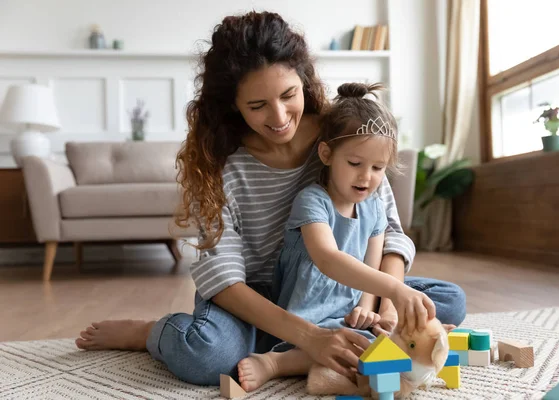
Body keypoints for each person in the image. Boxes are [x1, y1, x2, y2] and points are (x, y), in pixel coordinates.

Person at [74, 11, 466, 386]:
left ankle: (308, 341)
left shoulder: (343, 136)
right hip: (256, 297)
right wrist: (312, 337)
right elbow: (223, 280)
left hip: (337, 293)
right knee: (205, 356)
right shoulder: (221, 165)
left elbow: (388, 231)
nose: (278, 117)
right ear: (234, 105)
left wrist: (389, 305)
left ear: (304, 81)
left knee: (447, 302)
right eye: (258, 106)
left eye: (288, 95)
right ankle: (151, 333)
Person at [237, 82, 445, 392]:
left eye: (378, 168)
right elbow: (328, 259)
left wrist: (368, 307)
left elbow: (372, 268)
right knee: (349, 343)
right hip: (306, 311)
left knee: (380, 336)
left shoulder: (374, 207)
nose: (367, 177)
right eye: (355, 164)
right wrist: (395, 290)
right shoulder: (312, 201)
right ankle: (274, 363)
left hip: (347, 312)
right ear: (326, 154)